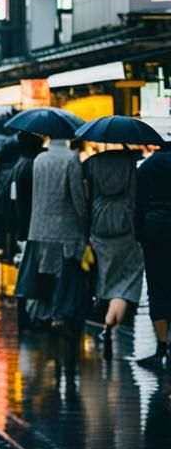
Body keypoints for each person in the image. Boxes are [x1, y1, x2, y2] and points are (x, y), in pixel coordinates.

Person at [15, 138, 89, 329]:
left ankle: (40, 313)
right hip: (64, 227)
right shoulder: (71, 159)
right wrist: (84, 220)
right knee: (61, 273)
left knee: (42, 271)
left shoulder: (39, 159)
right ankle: (57, 313)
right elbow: (77, 195)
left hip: (39, 226)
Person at [85, 147, 144, 354]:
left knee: (105, 275)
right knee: (126, 279)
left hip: (100, 222)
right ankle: (112, 322)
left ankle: (103, 316)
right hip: (124, 222)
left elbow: (88, 195)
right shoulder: (130, 163)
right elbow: (135, 193)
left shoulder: (92, 163)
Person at [134, 143, 171, 368]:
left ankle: (161, 347)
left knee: (157, 288)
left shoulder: (148, 167)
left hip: (155, 231)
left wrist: (140, 234)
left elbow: (137, 205)